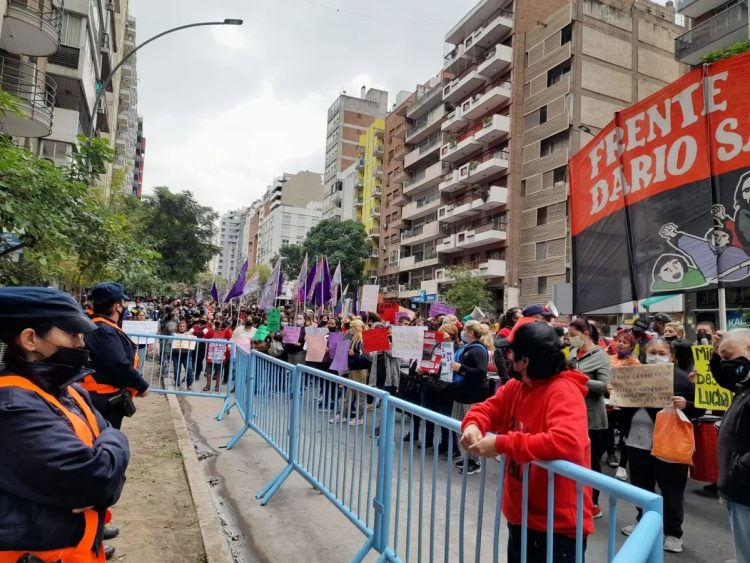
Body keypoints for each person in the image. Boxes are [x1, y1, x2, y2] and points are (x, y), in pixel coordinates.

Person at [0, 287, 130, 561]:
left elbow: (105, 436)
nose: (81, 344)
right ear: (30, 339)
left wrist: (110, 454)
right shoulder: (12, 407)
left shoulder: (66, 389)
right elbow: (96, 479)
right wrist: (116, 449)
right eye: (72, 334)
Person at [460, 322, 593, 563]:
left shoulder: (563, 391)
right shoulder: (516, 386)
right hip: (521, 517)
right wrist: (472, 425)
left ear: (526, 361)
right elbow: (486, 409)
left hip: (557, 527)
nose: (507, 358)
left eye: (511, 353)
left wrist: (502, 444)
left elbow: (567, 442)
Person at [617, 338, 702, 553]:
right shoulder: (633, 376)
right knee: (641, 486)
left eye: (660, 352)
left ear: (671, 356)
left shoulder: (682, 379)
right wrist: (615, 394)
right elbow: (622, 405)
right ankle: (643, 522)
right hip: (637, 441)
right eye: (651, 352)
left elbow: (700, 408)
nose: (655, 355)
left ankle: (673, 533)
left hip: (669, 443)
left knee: (671, 489)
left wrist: (686, 404)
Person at [83, 283, 150, 430]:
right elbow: (119, 364)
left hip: (102, 398)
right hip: (102, 400)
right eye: (123, 303)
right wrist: (141, 386)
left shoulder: (99, 326)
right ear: (117, 306)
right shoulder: (103, 330)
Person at [568, 318, 611, 519]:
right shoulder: (573, 353)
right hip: (571, 413)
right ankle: (575, 498)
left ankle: (593, 503)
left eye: (574, 335)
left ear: (586, 333)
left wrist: (580, 379)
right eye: (569, 335)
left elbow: (606, 386)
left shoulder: (601, 355)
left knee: (591, 462)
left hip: (592, 417)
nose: (571, 339)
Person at [713, 328, 750, 563]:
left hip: (744, 488)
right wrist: (716, 355)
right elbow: (723, 377)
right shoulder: (745, 387)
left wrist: (738, 471)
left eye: (728, 356)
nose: (726, 363)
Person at [449, 320, 494, 475]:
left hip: (473, 394)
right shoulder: (466, 348)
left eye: (465, 330)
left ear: (471, 333)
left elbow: (481, 372)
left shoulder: (478, 350)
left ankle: (475, 461)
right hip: (461, 393)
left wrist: (461, 368)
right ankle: (467, 456)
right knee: (459, 427)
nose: (463, 332)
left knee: (470, 428)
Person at [608, 331, 641, 480]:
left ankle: (622, 466)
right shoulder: (609, 359)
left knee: (624, 436)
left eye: (625, 342)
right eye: (619, 341)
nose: (620, 344)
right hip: (609, 404)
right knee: (607, 433)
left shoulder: (635, 363)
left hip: (626, 406)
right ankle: (610, 455)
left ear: (631, 346)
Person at [331, 319, 370, 426]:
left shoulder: (363, 340)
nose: (350, 329)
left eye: (351, 327)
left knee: (361, 394)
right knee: (349, 394)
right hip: (353, 369)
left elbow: (368, 358)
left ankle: (359, 417)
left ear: (356, 328)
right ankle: (342, 414)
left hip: (360, 370)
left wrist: (354, 355)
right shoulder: (354, 339)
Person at [204, 320, 232, 392]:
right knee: (209, 370)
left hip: (221, 355)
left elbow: (230, 336)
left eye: (220, 324)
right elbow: (206, 336)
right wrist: (212, 328)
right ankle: (208, 385)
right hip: (211, 354)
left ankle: (217, 386)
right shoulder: (212, 331)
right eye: (217, 323)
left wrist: (228, 328)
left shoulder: (225, 331)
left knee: (219, 371)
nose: (218, 325)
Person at [170, 319, 196, 389]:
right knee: (176, 369)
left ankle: (189, 384)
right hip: (176, 354)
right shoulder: (174, 334)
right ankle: (177, 382)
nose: (182, 327)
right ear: (178, 327)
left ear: (186, 327)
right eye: (180, 326)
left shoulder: (190, 335)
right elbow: (169, 343)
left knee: (189, 369)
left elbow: (193, 344)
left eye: (183, 326)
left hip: (187, 354)